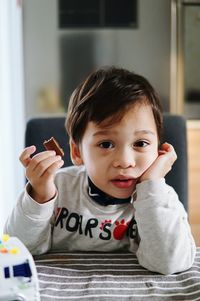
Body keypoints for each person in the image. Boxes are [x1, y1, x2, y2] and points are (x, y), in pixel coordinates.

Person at [4, 66, 196, 274]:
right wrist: (39, 195)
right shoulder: (56, 188)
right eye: (106, 144)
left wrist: (151, 185)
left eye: (140, 143)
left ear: (159, 149)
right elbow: (17, 250)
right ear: (77, 152)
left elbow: (170, 263)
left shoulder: (160, 198)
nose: (125, 161)